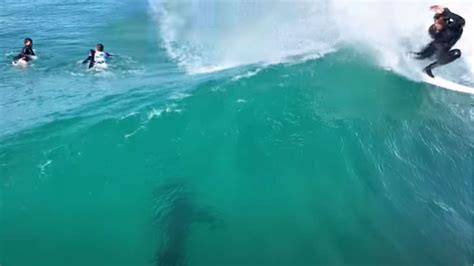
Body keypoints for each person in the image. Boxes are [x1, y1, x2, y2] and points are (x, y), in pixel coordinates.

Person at [413, 5, 465, 78]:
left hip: (442, 53)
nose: (437, 24)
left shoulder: (452, 28)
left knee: (457, 53)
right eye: (436, 22)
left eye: (440, 22)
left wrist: (446, 11)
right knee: (420, 56)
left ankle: (428, 68)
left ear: (445, 21)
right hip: (432, 49)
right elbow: (434, 40)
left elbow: (461, 21)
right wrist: (437, 29)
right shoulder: (432, 29)